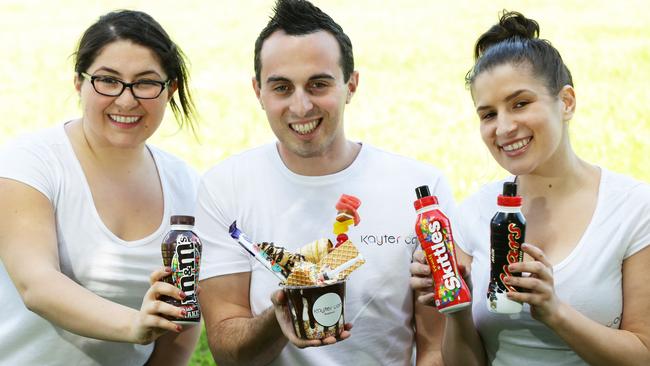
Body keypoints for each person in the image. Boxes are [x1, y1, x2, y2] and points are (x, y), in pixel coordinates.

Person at [195, 0, 452, 365]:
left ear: (351, 85)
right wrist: (278, 317)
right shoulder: (226, 186)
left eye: (318, 84)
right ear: (258, 92)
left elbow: (435, 347)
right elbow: (227, 352)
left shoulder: (420, 189)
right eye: (282, 88)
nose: (301, 107)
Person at [410, 11, 650, 366]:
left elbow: (643, 354)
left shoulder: (633, 207)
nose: (504, 128)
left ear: (566, 102)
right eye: (488, 114)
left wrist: (554, 311)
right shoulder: (473, 213)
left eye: (520, 103)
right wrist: (456, 310)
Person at [0, 10, 201, 366]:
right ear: (79, 82)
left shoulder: (188, 187)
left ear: (170, 89)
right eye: (108, 80)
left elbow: (184, 319)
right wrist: (134, 324)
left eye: (146, 82)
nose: (126, 100)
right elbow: (37, 285)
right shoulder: (26, 164)